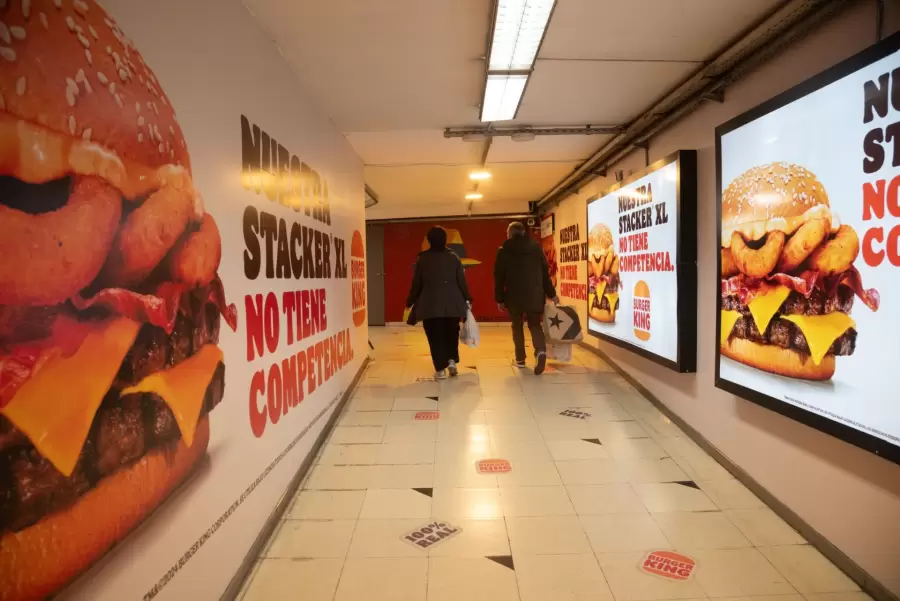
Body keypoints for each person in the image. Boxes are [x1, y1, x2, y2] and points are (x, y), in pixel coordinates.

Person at [406, 227, 473, 379]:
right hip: (452, 303)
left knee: (435, 336)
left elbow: (417, 283)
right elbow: (461, 281)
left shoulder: (422, 259)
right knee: (451, 333)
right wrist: (468, 297)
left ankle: (440, 369)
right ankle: (451, 362)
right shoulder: (454, 257)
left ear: (429, 241)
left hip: (430, 304)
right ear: (445, 240)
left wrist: (410, 301)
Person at [494, 221, 559, 375]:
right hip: (535, 294)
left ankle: (520, 359)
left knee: (517, 326)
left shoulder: (503, 251)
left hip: (514, 296)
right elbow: (544, 274)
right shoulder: (536, 248)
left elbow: (499, 277)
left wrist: (499, 298)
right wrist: (552, 294)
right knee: (535, 325)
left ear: (509, 234)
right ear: (523, 233)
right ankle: (541, 351)